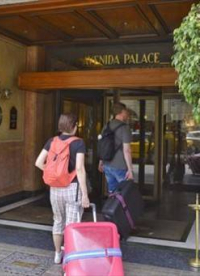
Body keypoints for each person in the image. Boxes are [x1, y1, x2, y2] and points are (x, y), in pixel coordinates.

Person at [35, 113, 90, 264]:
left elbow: (38, 162)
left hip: (55, 188)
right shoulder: (79, 143)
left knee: (58, 221)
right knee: (71, 225)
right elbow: (80, 169)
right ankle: (70, 259)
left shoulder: (51, 141)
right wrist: (85, 194)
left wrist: (53, 173)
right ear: (74, 126)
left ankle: (58, 254)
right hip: (72, 188)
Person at [99, 102, 134, 193]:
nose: (127, 114)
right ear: (122, 112)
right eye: (126, 112)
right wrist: (130, 169)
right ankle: (123, 207)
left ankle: (113, 207)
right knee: (125, 194)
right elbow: (127, 150)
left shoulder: (106, 126)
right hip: (120, 166)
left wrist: (101, 161)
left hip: (107, 165)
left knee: (113, 193)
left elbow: (103, 145)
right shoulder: (124, 128)